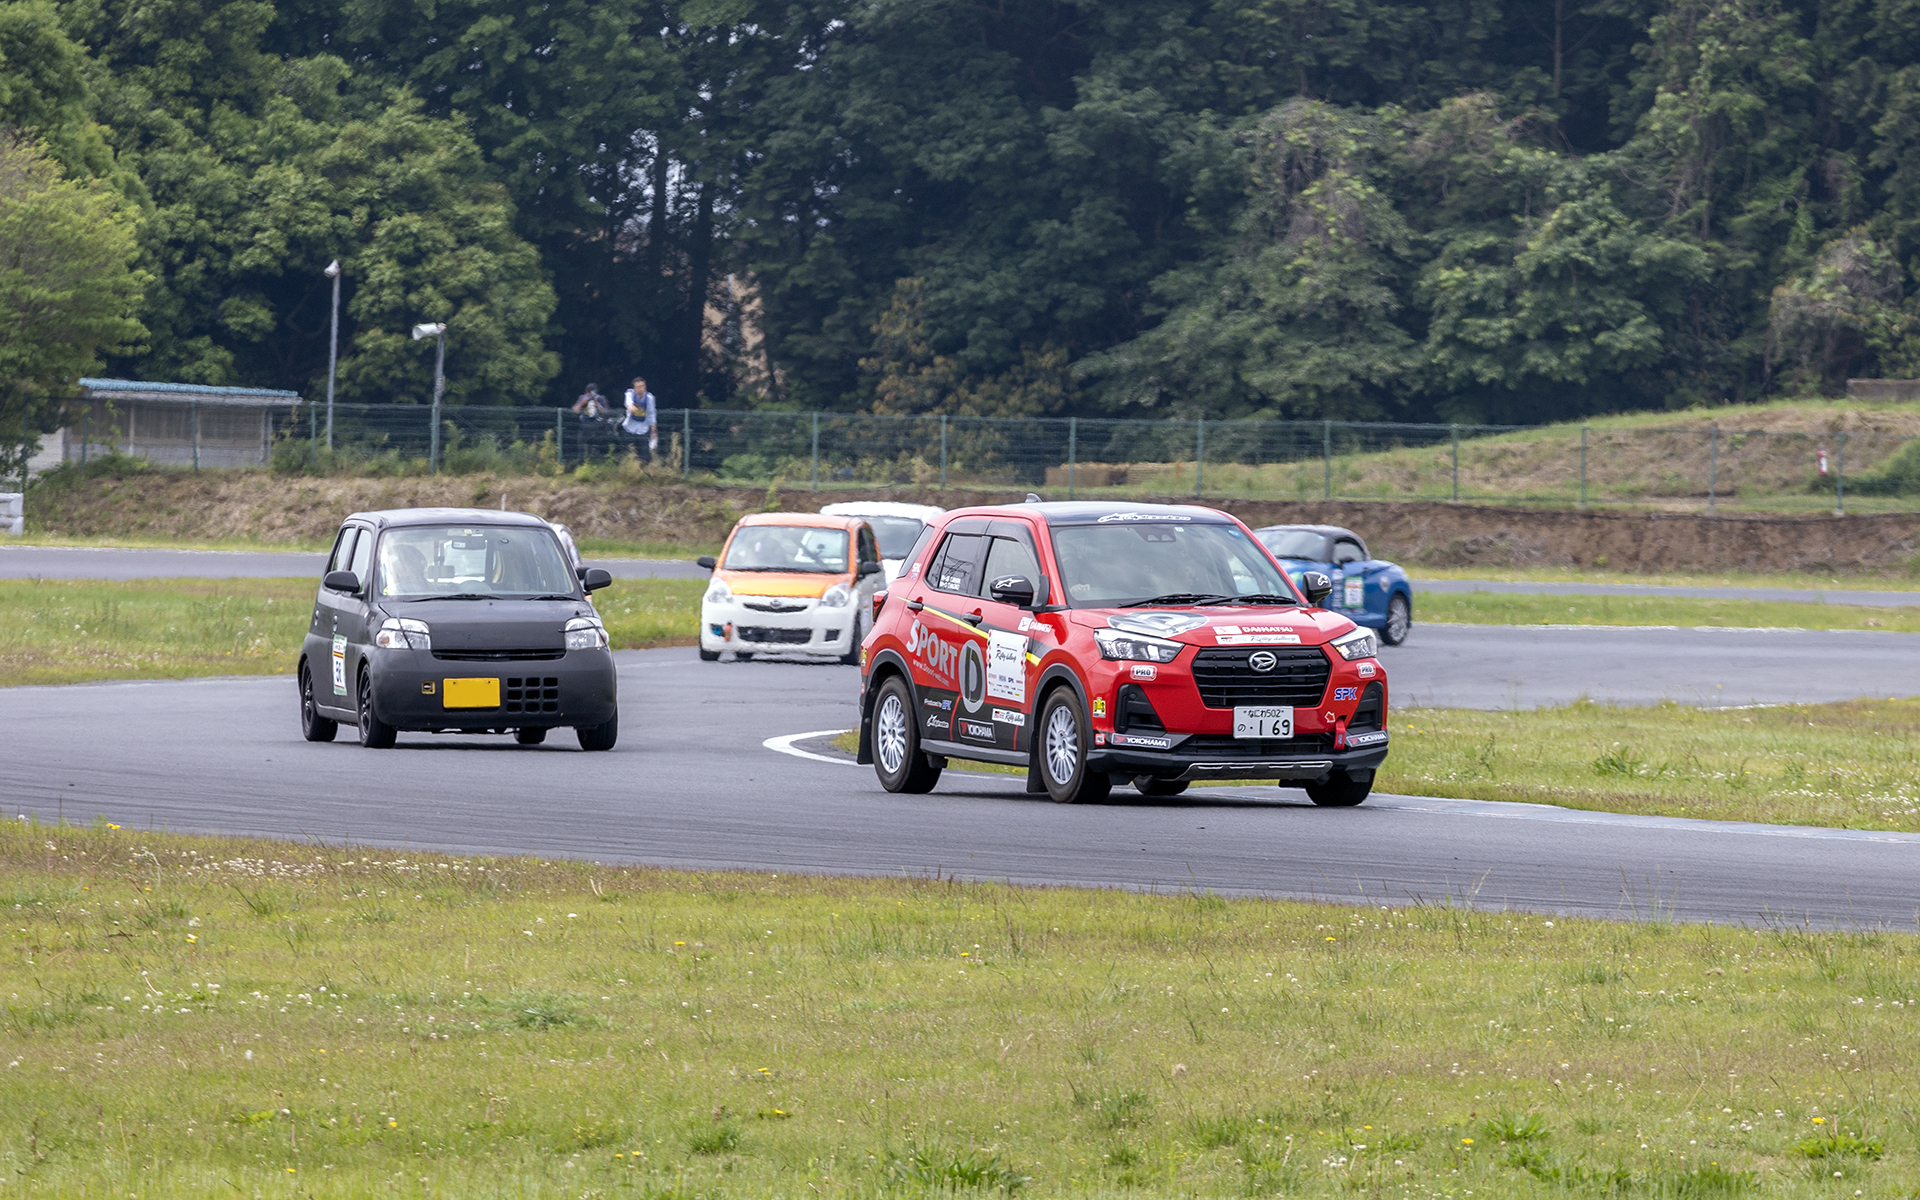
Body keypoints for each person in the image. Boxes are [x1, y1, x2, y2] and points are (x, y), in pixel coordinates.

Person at [623, 376, 658, 458]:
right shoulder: (630, 394)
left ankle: (644, 468)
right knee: (628, 451)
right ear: (634, 388)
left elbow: (651, 414)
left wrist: (653, 431)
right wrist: (631, 407)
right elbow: (628, 403)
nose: (641, 389)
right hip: (630, 426)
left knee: (644, 452)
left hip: (643, 427)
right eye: (638, 387)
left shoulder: (649, 398)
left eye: (643, 386)